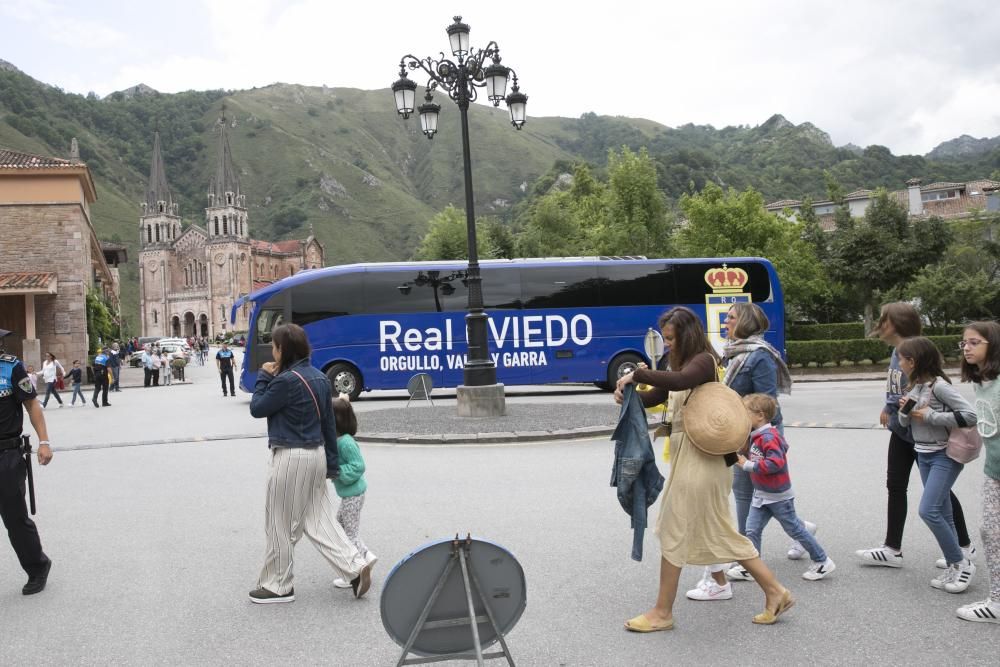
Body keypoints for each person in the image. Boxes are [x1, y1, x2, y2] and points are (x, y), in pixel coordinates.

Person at [615, 307, 793, 631]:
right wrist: (629, 393)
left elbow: (680, 381)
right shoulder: (680, 362)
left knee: (677, 526)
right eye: (665, 339)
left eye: (670, 338)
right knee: (710, 529)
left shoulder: (704, 361)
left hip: (705, 458)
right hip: (690, 455)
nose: (667, 344)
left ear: (686, 335)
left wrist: (638, 374)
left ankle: (662, 612)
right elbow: (660, 393)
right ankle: (774, 590)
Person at [248, 323, 374, 603]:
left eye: (274, 346)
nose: (272, 350)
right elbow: (330, 426)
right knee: (319, 519)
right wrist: (331, 464)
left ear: (283, 350)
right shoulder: (319, 378)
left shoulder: (284, 381)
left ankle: (277, 585)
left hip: (291, 456)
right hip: (316, 454)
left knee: (279, 522)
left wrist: (263, 377)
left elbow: (257, 408)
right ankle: (355, 566)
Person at [856, 303, 975, 568]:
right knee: (896, 485)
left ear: (896, 323)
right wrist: (891, 407)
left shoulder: (913, 350)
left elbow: (923, 388)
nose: (881, 325)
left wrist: (898, 407)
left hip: (921, 434)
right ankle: (892, 548)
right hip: (903, 431)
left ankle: (963, 547)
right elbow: (901, 390)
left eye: (884, 320)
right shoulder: (898, 352)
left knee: (938, 494)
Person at [895, 336, 978, 594]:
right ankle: (954, 565)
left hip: (944, 454)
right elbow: (905, 424)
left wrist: (930, 416)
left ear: (914, 361)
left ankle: (961, 563)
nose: (899, 363)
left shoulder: (939, 387)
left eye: (902, 358)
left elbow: (970, 415)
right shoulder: (914, 387)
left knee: (928, 510)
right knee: (942, 511)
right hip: (924, 454)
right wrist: (904, 411)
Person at [738, 393, 835, 581]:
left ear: (759, 415)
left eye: (745, 412)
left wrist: (748, 465)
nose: (741, 416)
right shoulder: (757, 436)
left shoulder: (768, 437)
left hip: (778, 496)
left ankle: (822, 561)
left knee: (795, 530)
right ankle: (752, 568)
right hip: (762, 494)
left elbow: (776, 463)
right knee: (752, 530)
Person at [0, 328, 54, 595]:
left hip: (6, 455)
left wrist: (43, 442)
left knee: (14, 519)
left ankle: (37, 566)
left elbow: (32, 405)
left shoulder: (11, 368)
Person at [957, 321, 1000, 622]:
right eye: (964, 343)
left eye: (975, 342)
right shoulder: (981, 381)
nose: (967, 348)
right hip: (993, 469)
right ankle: (997, 601)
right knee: (990, 531)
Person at [330, 394, 377, 589]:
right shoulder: (339, 439)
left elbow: (359, 466)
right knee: (341, 527)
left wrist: (338, 472)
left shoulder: (346, 442)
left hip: (353, 494)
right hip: (349, 494)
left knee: (348, 535)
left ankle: (355, 571)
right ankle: (366, 555)